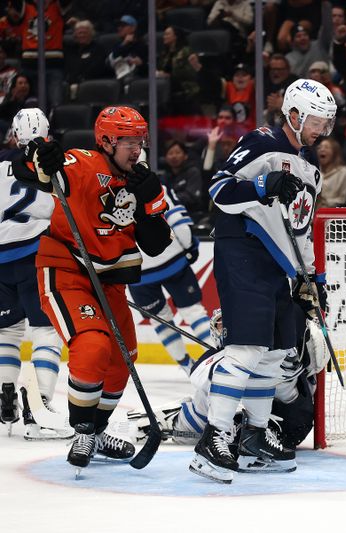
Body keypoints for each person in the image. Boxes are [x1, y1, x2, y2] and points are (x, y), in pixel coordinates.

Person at [19, 106, 172, 472]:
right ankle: (83, 430)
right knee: (93, 344)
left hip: (110, 284)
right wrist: (42, 158)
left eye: (140, 141)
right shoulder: (84, 162)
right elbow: (39, 172)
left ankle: (97, 431)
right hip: (66, 271)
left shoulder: (141, 179)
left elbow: (156, 244)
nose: (136, 149)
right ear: (105, 141)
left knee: (123, 359)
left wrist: (149, 207)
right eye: (128, 141)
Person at [202, 78, 336, 483]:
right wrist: (262, 184)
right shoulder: (261, 142)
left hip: (280, 264)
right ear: (292, 114)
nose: (320, 130)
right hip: (243, 248)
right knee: (246, 349)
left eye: (326, 124)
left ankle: (254, 436)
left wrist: (315, 278)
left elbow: (301, 226)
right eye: (315, 120)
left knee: (276, 354)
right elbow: (219, 189)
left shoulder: (312, 168)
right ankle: (215, 436)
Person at [128, 304, 328, 458]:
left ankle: (183, 420)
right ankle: (177, 420)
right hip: (256, 417)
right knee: (225, 417)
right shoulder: (231, 354)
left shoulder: (303, 339)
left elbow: (315, 363)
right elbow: (201, 376)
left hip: (290, 421)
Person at [0, 108, 67, 440]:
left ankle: (6, 395)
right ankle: (38, 408)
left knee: (8, 332)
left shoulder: (0, 166)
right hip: (34, 255)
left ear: (14, 135)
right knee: (46, 332)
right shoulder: (52, 165)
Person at [128, 183, 211, 376]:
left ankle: (188, 367)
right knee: (193, 312)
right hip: (172, 260)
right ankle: (218, 360)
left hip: (137, 271)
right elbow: (177, 219)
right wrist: (189, 245)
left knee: (160, 320)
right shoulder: (157, 185)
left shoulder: (108, 191)